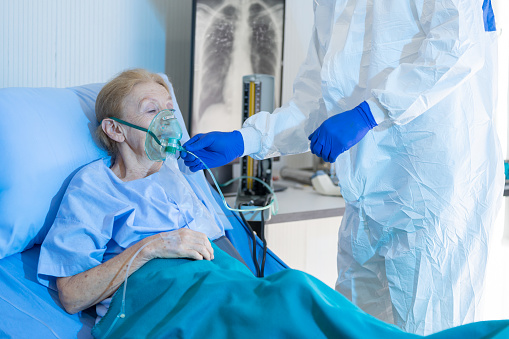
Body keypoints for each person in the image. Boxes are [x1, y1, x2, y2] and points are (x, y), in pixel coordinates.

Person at [181, 0, 503, 335]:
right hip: (365, 199)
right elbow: (312, 104)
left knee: (431, 329)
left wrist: (370, 112)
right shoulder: (331, 7)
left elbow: (459, 46)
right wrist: (245, 140)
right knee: (352, 327)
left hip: (433, 197)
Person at [37, 69, 245, 320]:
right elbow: (72, 296)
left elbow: (218, 249)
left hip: (221, 291)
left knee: (294, 290)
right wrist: (151, 247)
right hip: (165, 310)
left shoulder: (178, 170)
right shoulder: (94, 186)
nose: (168, 120)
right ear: (115, 129)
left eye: (170, 110)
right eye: (152, 110)